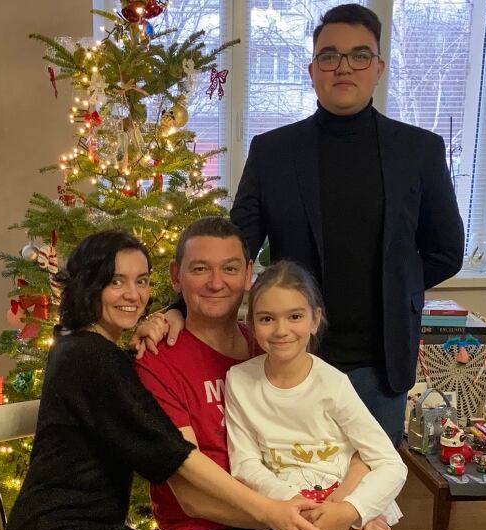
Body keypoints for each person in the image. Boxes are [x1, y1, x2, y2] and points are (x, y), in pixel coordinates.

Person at [145, 4, 465, 447]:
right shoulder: (273, 152)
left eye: (359, 55)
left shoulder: (420, 151)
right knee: (292, 483)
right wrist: (177, 308)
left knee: (367, 495)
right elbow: (233, 251)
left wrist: (393, 284)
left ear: (378, 68)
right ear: (312, 69)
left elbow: (446, 251)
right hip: (288, 354)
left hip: (380, 364)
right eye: (329, 56)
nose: (343, 67)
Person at [3, 230, 327, 530]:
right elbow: (175, 454)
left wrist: (169, 315)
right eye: (116, 281)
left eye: (141, 281)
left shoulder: (86, 348)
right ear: (90, 283)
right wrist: (270, 512)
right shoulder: (92, 357)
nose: (133, 294)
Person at [135, 217, 382, 530]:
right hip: (209, 527)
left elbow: (347, 440)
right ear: (176, 276)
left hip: (299, 504)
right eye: (200, 268)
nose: (216, 282)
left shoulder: (272, 341)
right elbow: (191, 496)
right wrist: (282, 518)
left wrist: (356, 507)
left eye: (230, 268)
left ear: (249, 274)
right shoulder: (158, 360)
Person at [225, 260, 407, 530]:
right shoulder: (239, 380)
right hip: (288, 510)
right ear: (252, 325)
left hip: (348, 500)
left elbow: (390, 463)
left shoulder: (333, 384)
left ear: (314, 320)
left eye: (294, 316)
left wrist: (352, 510)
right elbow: (245, 463)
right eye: (267, 318)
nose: (281, 330)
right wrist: (299, 507)